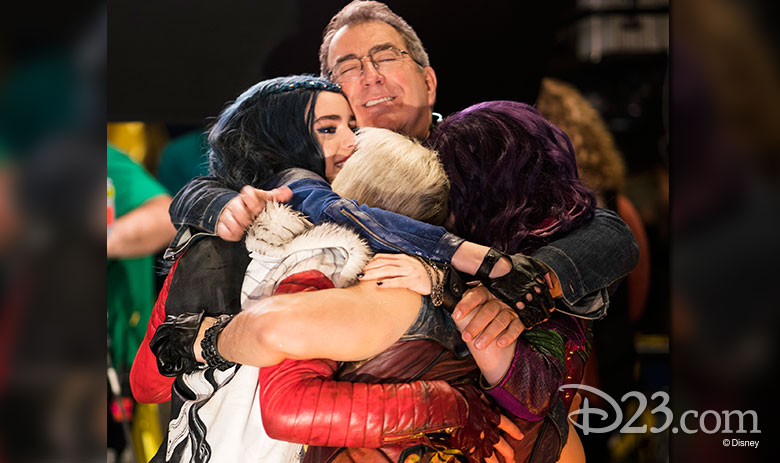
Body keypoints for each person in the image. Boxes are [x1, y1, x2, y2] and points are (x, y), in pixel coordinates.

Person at [168, 1, 638, 331]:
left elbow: (610, 233)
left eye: (386, 56)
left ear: (428, 81)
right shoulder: (310, 161)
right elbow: (198, 192)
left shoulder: (488, 150)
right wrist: (226, 203)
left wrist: (532, 280)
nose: (370, 75)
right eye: (347, 67)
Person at [132, 75, 529, 463]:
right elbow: (156, 382)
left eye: (352, 127)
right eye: (328, 129)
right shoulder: (316, 251)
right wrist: (445, 408)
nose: (350, 141)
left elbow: (149, 383)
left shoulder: (325, 247)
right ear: (278, 141)